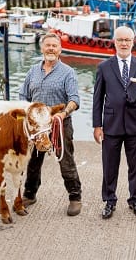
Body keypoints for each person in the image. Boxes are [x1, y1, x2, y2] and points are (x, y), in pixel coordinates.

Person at [92, 26, 136, 219]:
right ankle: (109, 200)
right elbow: (98, 99)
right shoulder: (104, 67)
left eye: (127, 40)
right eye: (120, 40)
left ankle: (135, 199)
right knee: (109, 165)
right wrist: (97, 125)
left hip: (135, 122)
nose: (123, 43)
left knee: (135, 164)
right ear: (114, 42)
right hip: (111, 123)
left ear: (133, 42)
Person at [20, 32, 83, 216]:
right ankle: (30, 194)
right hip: (37, 126)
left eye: (54, 46)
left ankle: (75, 197)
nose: (51, 49)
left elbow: (74, 99)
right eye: (47, 45)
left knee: (66, 160)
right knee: (33, 161)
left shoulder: (68, 72)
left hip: (59, 124)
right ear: (42, 48)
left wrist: (63, 114)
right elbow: (23, 96)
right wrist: (28, 111)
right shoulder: (32, 71)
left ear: (60, 49)